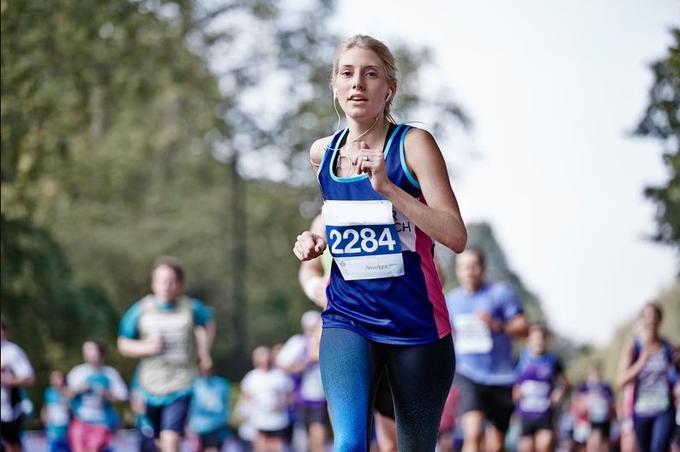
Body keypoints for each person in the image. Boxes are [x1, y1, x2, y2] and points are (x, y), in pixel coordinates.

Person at [292, 34, 466, 451]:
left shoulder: (413, 144)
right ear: (334, 84)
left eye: (371, 74)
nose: (358, 83)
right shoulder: (323, 154)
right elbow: (348, 221)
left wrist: (388, 186)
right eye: (347, 73)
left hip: (417, 326)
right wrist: (315, 240)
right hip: (348, 318)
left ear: (389, 88)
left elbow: (455, 236)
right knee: (349, 443)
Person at [118, 256, 215, 452]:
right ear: (153, 283)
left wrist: (204, 352)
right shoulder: (141, 310)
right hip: (149, 386)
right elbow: (123, 344)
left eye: (172, 281)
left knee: (170, 438)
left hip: (181, 384)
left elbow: (208, 324)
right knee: (156, 441)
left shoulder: (191, 308)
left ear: (179, 284)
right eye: (162, 280)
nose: (167, 286)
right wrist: (146, 347)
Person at [445, 247, 529, 452]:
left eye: (473, 266)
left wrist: (497, 325)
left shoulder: (500, 293)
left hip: (501, 377)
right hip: (468, 374)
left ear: (482, 268)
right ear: (458, 271)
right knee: (472, 434)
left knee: (497, 444)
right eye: (463, 267)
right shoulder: (451, 301)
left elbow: (523, 327)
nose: (469, 272)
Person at [617, 302, 678, 452]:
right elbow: (621, 381)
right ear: (642, 319)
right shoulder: (634, 347)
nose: (651, 320)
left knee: (659, 448)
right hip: (641, 411)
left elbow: (676, 376)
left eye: (654, 316)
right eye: (647, 316)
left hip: (664, 408)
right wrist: (641, 361)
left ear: (660, 319)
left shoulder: (668, 347)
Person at [276, 310, 328, 452]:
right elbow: (282, 363)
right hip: (302, 395)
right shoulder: (298, 342)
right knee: (306, 434)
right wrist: (302, 366)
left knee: (317, 431)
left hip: (321, 395)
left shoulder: (325, 341)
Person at [513, 324, 570, 452]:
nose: (538, 341)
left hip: (545, 414)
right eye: (535, 337)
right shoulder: (520, 359)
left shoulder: (553, 361)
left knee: (544, 446)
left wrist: (559, 392)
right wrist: (515, 392)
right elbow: (511, 382)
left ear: (546, 340)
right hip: (525, 414)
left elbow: (567, 384)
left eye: (541, 338)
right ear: (528, 339)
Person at [67, 339, 128, 452]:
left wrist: (107, 394)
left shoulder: (110, 374)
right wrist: (79, 389)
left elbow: (123, 397)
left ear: (101, 353)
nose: (88, 353)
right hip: (80, 420)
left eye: (91, 350)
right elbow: (66, 395)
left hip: (102, 422)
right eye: (86, 350)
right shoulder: (78, 372)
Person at [240, 346, 294, 452]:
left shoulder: (280, 375)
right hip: (259, 421)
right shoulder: (251, 377)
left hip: (277, 421)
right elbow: (245, 398)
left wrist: (282, 402)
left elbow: (290, 394)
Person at [0, 319, 35, 452]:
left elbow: (29, 378)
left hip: (9, 409)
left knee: (12, 444)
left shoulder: (12, 351)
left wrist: (9, 381)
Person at [574, 363, 615, 452]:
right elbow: (577, 403)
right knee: (589, 442)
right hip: (587, 420)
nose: (597, 373)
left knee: (604, 443)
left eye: (599, 371)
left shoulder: (606, 387)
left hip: (604, 419)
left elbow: (612, 403)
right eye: (594, 371)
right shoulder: (584, 386)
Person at [188, 366, 231, 452]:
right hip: (201, 427)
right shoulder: (194, 383)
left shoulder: (221, 383)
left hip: (219, 425)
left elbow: (226, 402)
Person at [41, 370, 72, 452]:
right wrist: (44, 417)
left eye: (58, 379)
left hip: (66, 428)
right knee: (53, 447)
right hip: (52, 427)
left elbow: (71, 409)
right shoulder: (49, 392)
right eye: (54, 379)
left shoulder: (68, 392)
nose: (56, 381)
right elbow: (46, 407)